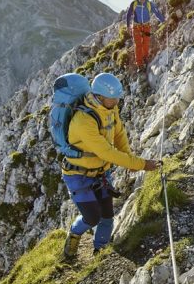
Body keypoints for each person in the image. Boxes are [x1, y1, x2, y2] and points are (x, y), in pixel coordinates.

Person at [61, 72, 158, 259]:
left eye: (116, 99)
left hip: (101, 172)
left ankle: (100, 251)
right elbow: (107, 152)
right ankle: (74, 233)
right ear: (99, 97)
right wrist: (142, 164)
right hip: (78, 176)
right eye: (112, 99)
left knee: (107, 214)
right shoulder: (83, 121)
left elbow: (119, 133)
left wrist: (130, 159)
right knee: (92, 217)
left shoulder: (109, 109)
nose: (116, 103)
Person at [125, 0, 165, 71]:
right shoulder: (134, 4)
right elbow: (128, 14)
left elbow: (157, 13)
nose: (141, 0)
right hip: (136, 27)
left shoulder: (149, 4)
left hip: (146, 26)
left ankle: (145, 58)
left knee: (146, 43)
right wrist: (128, 26)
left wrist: (163, 21)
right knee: (138, 45)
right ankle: (139, 64)